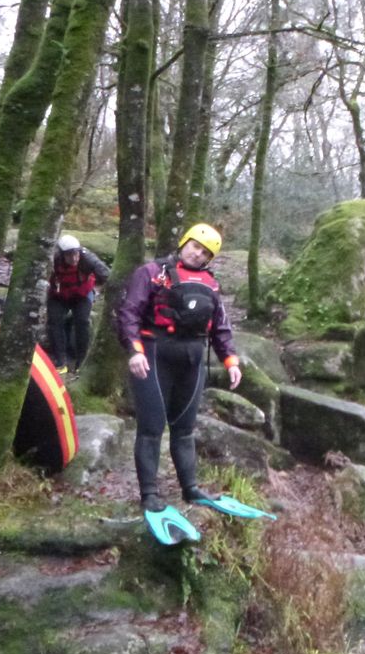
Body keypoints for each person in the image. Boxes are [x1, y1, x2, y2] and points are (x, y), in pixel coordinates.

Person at [115, 222, 260, 544]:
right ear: (184, 243)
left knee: (185, 428)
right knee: (152, 428)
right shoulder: (152, 272)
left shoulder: (210, 283)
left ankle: (190, 488)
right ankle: (149, 494)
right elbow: (129, 313)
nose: (198, 253)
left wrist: (230, 360)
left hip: (193, 358)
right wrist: (134, 350)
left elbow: (220, 325)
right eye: (195, 246)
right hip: (154, 354)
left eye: (206, 252)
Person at [46, 233, 110, 373]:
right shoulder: (52, 259)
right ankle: (60, 361)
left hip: (82, 294)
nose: (74, 258)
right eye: (69, 255)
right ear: (62, 255)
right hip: (58, 295)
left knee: (82, 322)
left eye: (76, 254)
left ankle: (81, 361)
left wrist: (99, 289)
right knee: (54, 322)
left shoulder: (87, 258)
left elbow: (106, 274)